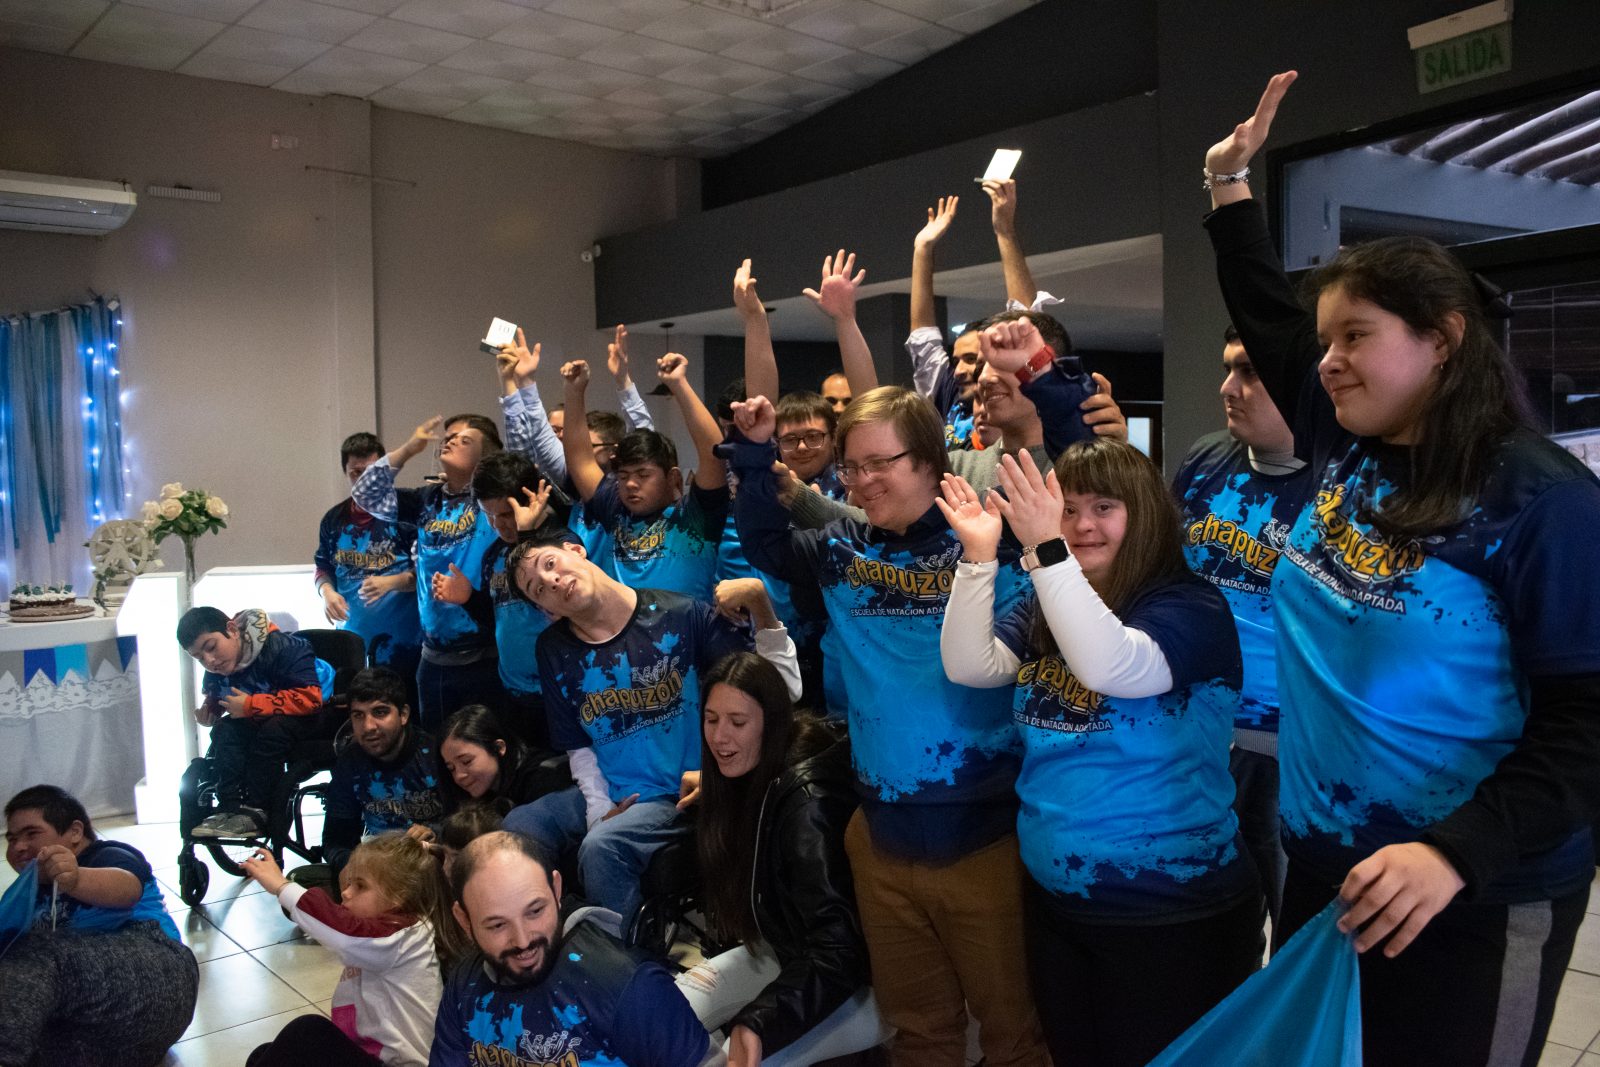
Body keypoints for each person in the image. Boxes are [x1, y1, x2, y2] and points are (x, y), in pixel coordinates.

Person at [1203, 71, 1600, 1066]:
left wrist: (1453, 852)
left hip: (1470, 888)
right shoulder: (1352, 441)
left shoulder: (1539, 502)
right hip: (1329, 866)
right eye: (1325, 339)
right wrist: (1227, 185)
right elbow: (1265, 311)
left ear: (1443, 341)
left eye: (1356, 336)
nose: (1325, 360)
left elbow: (1589, 724)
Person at [727, 387, 1048, 1067]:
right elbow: (764, 541)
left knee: (1015, 1035)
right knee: (919, 1032)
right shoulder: (839, 548)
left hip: (988, 835)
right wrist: (755, 454)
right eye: (851, 466)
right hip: (881, 837)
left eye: (880, 463)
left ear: (930, 460)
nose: (861, 481)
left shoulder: (997, 540)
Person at [939, 430, 1258, 1066]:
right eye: (1069, 509)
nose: (1083, 525)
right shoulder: (1046, 603)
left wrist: (1045, 550)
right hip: (1060, 906)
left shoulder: (1191, 605)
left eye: (1104, 508)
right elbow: (970, 665)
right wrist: (978, 558)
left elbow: (1112, 666)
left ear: (1144, 515)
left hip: (1171, 912)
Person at [501, 529, 800, 925]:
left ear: (576, 550)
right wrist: (599, 811)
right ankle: (555, 938)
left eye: (550, 564)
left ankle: (627, 959)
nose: (551, 581)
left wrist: (763, 609)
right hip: (611, 788)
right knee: (516, 830)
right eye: (538, 589)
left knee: (601, 848)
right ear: (545, 609)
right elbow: (578, 747)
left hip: (678, 789)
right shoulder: (554, 649)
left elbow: (780, 692)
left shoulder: (679, 614)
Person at [674, 653, 888, 1067]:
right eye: (711, 719)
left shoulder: (807, 804)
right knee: (665, 1011)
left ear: (772, 725)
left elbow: (839, 951)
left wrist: (759, 1021)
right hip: (786, 952)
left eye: (738, 723)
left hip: (859, 982)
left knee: (735, 1059)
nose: (719, 737)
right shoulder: (744, 778)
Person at [1170, 324, 1311, 938]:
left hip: (1290, 747)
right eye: (1228, 368)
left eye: (1250, 372)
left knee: (1297, 926)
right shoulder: (1207, 457)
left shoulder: (1342, 479)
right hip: (1196, 727)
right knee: (1211, 927)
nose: (1229, 387)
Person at [430, 831, 719, 1067]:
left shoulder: (627, 986)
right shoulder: (463, 987)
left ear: (556, 890)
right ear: (464, 920)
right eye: (497, 925)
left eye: (535, 911)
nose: (522, 940)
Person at [2, 785, 198, 1067]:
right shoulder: (32, 893)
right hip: (105, 1035)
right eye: (12, 839)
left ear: (75, 832)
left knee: (32, 954)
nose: (19, 847)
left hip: (158, 976)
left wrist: (76, 878)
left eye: (31, 834)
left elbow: (127, 888)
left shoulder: (107, 855)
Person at [242, 833, 467, 1067]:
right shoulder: (395, 932)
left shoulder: (401, 936)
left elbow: (342, 931)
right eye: (349, 883)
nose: (346, 892)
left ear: (398, 897)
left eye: (360, 886)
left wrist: (282, 887)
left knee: (307, 1031)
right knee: (267, 1053)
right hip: (369, 1056)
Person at [352, 410, 506, 735]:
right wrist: (409, 448)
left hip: (484, 654)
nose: (449, 441)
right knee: (438, 748)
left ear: (486, 456)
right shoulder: (427, 500)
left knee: (485, 747)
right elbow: (365, 494)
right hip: (434, 658)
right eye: (447, 437)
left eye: (464, 439)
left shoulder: (493, 499)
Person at [561, 352, 730, 601]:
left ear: (673, 478)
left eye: (643, 475)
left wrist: (679, 385)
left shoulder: (695, 517)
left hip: (687, 626)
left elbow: (713, 454)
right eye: (623, 476)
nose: (630, 483)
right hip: (623, 627)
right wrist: (574, 392)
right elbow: (581, 461)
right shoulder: (615, 510)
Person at [180, 605, 326, 839]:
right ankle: (229, 807)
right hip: (261, 718)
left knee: (272, 731)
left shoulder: (286, 647)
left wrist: (250, 705)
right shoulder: (217, 666)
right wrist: (211, 711)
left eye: (211, 647)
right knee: (224, 730)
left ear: (231, 629)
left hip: (308, 717)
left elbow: (310, 700)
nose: (209, 661)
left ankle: (259, 809)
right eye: (199, 658)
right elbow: (219, 696)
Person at [454, 450, 558, 747]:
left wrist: (526, 535)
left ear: (531, 500)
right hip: (513, 690)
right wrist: (468, 600)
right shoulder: (494, 554)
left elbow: (557, 606)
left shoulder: (559, 544)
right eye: (489, 515)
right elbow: (498, 618)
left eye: (506, 514)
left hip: (558, 690)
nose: (498, 525)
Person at [314, 432, 422, 699]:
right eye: (355, 473)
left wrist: (392, 582)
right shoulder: (334, 519)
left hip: (406, 646)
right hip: (352, 645)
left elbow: (427, 573)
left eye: (371, 472)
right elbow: (323, 566)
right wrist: (327, 593)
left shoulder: (405, 513)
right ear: (346, 473)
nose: (363, 480)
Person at [322, 667, 447, 880]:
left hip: (434, 864)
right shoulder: (350, 761)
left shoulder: (435, 755)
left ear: (403, 714)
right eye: (358, 715)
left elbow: (469, 825)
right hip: (381, 870)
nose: (368, 726)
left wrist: (437, 835)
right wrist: (352, 867)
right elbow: (335, 841)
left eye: (380, 712)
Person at [438, 704, 566, 813]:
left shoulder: (543, 780)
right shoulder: (479, 794)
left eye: (466, 761)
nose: (458, 776)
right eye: (451, 768)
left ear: (499, 747)